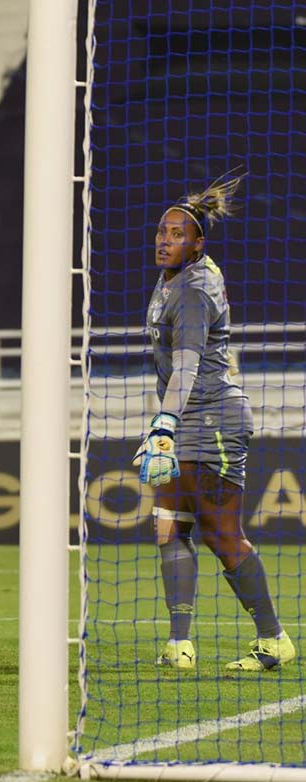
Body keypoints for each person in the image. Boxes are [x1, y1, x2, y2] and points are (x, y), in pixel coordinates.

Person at [133, 175, 296, 672]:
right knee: (169, 527)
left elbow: (186, 365)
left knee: (221, 534)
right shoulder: (174, 280)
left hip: (214, 422)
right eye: (163, 230)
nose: (165, 239)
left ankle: (274, 640)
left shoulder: (193, 291)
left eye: (178, 233)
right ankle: (180, 645)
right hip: (187, 420)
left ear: (198, 242)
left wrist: (162, 423)